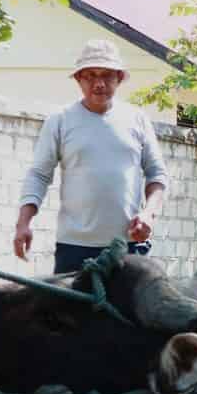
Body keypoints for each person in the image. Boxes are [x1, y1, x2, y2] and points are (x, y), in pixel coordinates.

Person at [16, 40, 168, 274]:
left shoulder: (137, 119)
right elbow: (38, 174)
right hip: (74, 249)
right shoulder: (60, 120)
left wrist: (149, 214)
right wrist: (23, 223)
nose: (99, 83)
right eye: (90, 76)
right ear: (78, 79)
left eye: (107, 75)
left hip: (129, 246)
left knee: (126, 312)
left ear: (118, 77)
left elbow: (157, 174)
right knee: (69, 311)